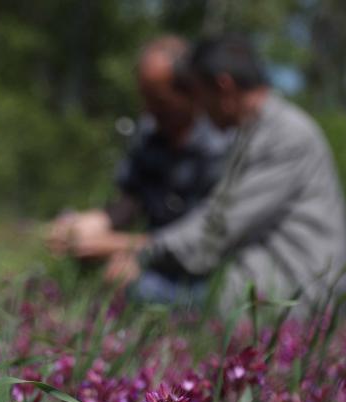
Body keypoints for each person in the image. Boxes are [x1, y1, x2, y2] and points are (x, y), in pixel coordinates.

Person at [69, 33, 346, 315]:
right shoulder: (258, 130)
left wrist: (128, 248)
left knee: (139, 290)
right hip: (263, 282)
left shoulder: (286, 136)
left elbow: (212, 234)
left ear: (224, 87)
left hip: (293, 295)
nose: (199, 108)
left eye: (199, 94)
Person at [48, 36, 231, 301]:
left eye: (158, 100)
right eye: (144, 98)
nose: (148, 110)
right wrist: (93, 223)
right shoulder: (149, 134)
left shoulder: (220, 148)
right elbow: (132, 200)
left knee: (141, 290)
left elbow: (200, 243)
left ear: (190, 92)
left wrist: (120, 247)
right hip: (151, 254)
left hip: (200, 271)